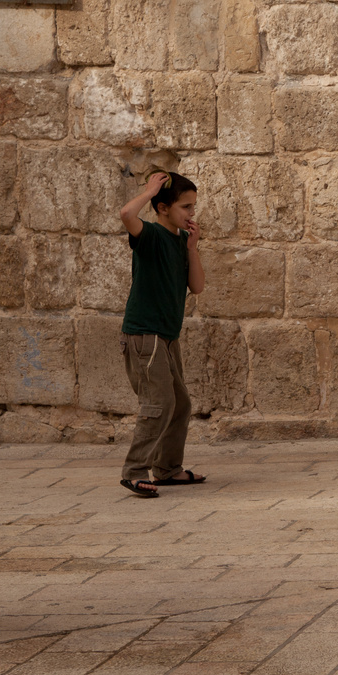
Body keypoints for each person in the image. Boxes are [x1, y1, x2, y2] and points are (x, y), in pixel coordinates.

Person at [118, 170, 206, 497]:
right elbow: (127, 214)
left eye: (193, 206)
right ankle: (134, 471)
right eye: (185, 206)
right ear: (163, 208)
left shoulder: (182, 241)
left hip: (168, 337)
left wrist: (193, 248)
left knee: (179, 403)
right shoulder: (151, 235)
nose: (191, 213)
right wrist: (151, 189)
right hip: (146, 335)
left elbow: (196, 287)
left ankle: (167, 469)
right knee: (159, 402)